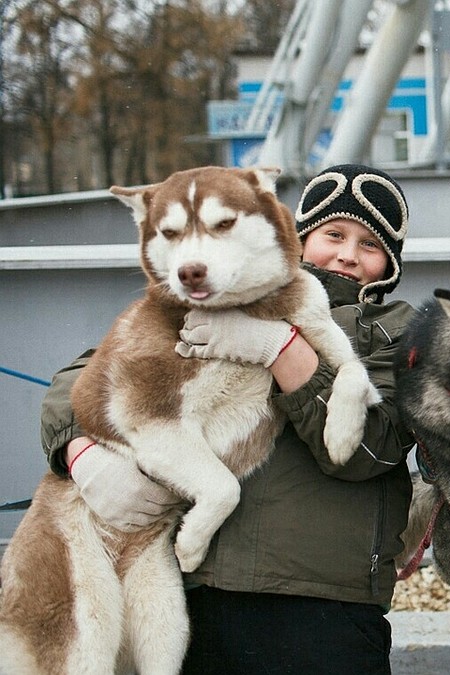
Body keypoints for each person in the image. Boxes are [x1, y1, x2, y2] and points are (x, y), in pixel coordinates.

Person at [40, 164, 417, 674]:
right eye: (334, 234)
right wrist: (80, 455)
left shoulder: (396, 330)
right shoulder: (219, 293)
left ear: (390, 263)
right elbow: (85, 377)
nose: (348, 254)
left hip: (326, 604)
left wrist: (277, 348)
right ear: (301, 238)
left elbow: (371, 447)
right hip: (203, 589)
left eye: (370, 244)